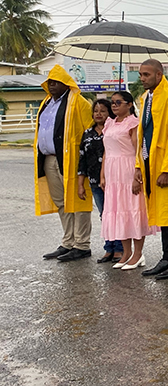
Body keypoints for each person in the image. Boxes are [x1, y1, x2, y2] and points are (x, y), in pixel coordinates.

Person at [135, 59, 168, 280]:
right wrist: (139, 165)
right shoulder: (146, 98)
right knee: (162, 214)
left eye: (146, 74)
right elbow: (142, 135)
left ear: (159, 75)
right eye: (140, 74)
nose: (142, 78)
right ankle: (167, 258)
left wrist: (167, 169)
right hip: (150, 163)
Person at [36, 65, 94, 262]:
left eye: (56, 82)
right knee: (61, 202)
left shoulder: (79, 102)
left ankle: (82, 244)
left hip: (72, 160)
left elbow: (90, 131)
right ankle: (68, 241)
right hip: (49, 159)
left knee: (78, 201)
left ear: (66, 84)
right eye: (49, 82)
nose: (51, 85)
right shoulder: (46, 103)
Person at [102, 91, 156, 271]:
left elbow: (138, 149)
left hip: (128, 169)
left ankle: (138, 253)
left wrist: (137, 172)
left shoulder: (133, 123)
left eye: (118, 102)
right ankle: (125, 253)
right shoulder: (109, 123)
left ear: (129, 104)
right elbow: (106, 150)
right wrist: (103, 175)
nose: (114, 105)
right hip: (112, 171)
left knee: (132, 210)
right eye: (112, 102)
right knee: (118, 211)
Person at [77, 98, 122, 263]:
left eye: (103, 110)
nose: (98, 114)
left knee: (116, 214)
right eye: (96, 111)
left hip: (114, 180)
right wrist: (80, 184)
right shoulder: (87, 134)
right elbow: (82, 159)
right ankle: (108, 248)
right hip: (96, 182)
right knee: (104, 215)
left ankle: (120, 248)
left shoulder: (113, 130)